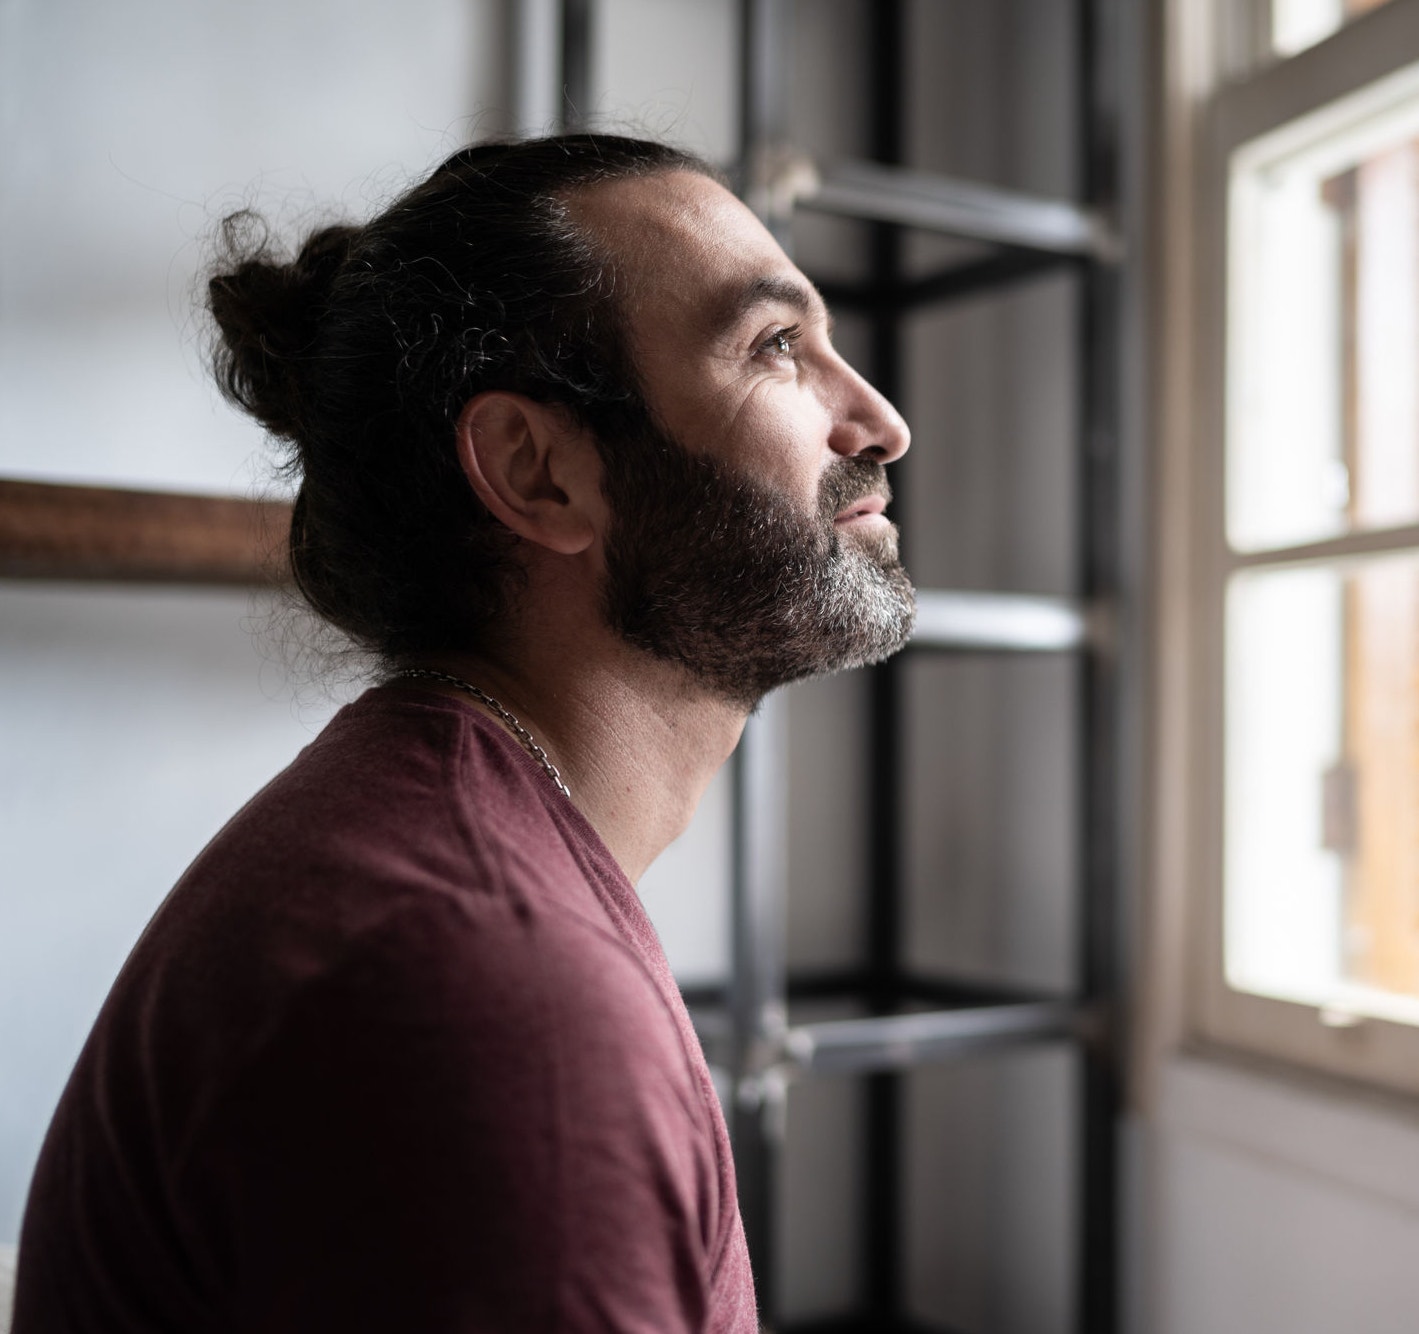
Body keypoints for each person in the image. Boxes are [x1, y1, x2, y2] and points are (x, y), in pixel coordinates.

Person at [13, 133, 913, 1333]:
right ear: (538, 473)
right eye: (774, 347)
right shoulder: (490, 989)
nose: (881, 422)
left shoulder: (453, 848)